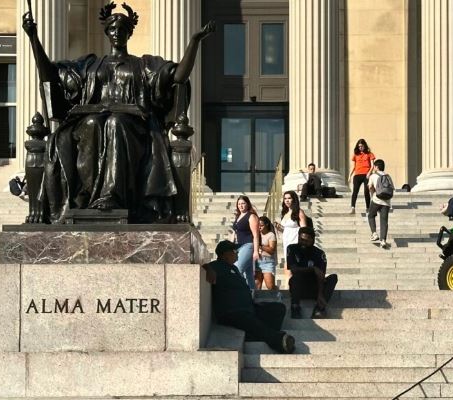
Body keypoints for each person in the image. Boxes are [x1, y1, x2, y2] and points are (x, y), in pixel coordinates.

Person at [22, 3, 214, 223]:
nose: (117, 33)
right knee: (94, 123)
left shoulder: (144, 65)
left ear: (129, 33)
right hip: (91, 122)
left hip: (135, 127)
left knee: (115, 122)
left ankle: (111, 196)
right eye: (113, 29)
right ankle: (88, 196)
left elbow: (178, 76)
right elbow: (51, 76)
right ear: (107, 32)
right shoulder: (90, 65)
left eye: (122, 29)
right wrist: (33, 38)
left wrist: (194, 41)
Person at [204, 240, 295, 354]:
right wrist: (208, 268)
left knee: (278, 309)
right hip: (232, 312)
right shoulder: (215, 266)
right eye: (234, 251)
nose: (237, 253)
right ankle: (278, 341)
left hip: (248, 308)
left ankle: (256, 336)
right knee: (251, 322)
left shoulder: (234, 268)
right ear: (224, 254)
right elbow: (201, 267)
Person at [286, 227, 338, 319]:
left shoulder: (319, 253)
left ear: (312, 240)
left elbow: (321, 276)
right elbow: (293, 270)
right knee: (296, 276)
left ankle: (319, 308)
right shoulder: (292, 249)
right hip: (299, 287)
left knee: (333, 277)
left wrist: (320, 294)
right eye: (301, 239)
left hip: (314, 287)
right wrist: (312, 269)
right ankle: (295, 307)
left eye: (306, 241)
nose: (303, 243)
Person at [232, 195, 260, 289]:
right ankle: (251, 295)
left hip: (248, 245)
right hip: (238, 246)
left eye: (243, 203)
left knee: (237, 269)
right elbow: (235, 232)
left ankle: (238, 291)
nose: (241, 205)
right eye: (239, 204)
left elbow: (256, 235)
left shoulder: (251, 216)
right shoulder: (238, 216)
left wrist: (256, 251)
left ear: (248, 204)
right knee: (249, 275)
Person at [274, 191, 308, 261]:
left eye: (289, 198)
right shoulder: (285, 212)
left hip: (296, 241)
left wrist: (302, 244)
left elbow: (304, 229)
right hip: (286, 240)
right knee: (288, 262)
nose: (287, 200)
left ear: (294, 199)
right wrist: (278, 227)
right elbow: (286, 229)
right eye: (285, 198)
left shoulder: (299, 212)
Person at [367, 159, 392, 249]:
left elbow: (370, 187)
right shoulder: (388, 176)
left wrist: (372, 194)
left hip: (377, 200)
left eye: (374, 166)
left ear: (376, 167)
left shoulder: (373, 176)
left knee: (370, 215)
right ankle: (383, 241)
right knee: (384, 221)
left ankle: (374, 233)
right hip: (387, 201)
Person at [348, 139, 375, 214]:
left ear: (364, 146)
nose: (360, 148)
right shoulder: (356, 155)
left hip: (366, 174)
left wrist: (369, 173)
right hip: (357, 175)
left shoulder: (370, 154)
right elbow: (353, 166)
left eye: (361, 146)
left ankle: (368, 207)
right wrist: (350, 175)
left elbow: (372, 166)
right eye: (359, 146)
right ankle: (353, 207)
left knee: (366, 191)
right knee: (355, 192)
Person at [254, 216, 278, 290]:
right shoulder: (257, 235)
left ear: (266, 225)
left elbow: (272, 250)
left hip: (267, 261)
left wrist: (260, 246)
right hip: (257, 261)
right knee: (257, 285)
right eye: (258, 225)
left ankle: (277, 296)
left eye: (261, 225)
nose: (259, 227)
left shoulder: (271, 235)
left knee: (270, 286)